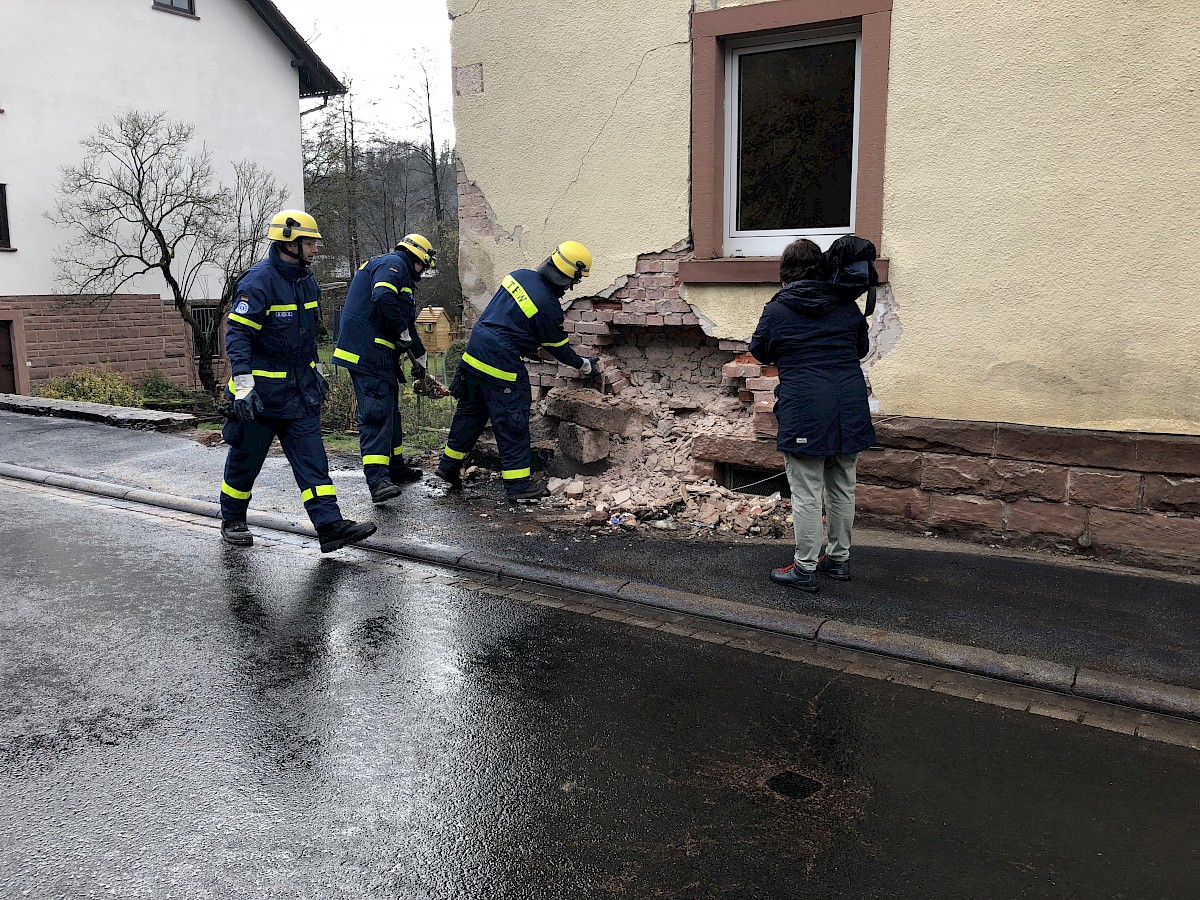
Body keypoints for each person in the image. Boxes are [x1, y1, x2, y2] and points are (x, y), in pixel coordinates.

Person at [219, 209, 377, 553]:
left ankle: (330, 526)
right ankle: (233, 519)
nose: (316, 248)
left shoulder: (307, 281)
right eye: (310, 241)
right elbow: (238, 338)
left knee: (313, 462)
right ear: (288, 242)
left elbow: (306, 337)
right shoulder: (257, 282)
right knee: (245, 463)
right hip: (259, 399)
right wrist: (243, 388)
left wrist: (315, 370)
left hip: (299, 395)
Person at [748, 236, 877, 592]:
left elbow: (759, 351)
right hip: (849, 405)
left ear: (785, 272)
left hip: (805, 406)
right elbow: (861, 348)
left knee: (806, 490)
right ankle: (838, 560)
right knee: (842, 486)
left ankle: (804, 568)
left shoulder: (777, 309)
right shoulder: (846, 305)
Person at [436, 241, 600, 502]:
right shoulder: (548, 305)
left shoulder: (519, 276)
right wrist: (585, 365)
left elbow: (512, 322)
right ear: (568, 275)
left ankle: (448, 466)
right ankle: (518, 486)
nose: (570, 288)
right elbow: (559, 349)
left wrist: (529, 345)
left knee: (469, 415)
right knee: (512, 422)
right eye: (573, 281)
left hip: (474, 352)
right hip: (500, 363)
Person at [333, 234, 436, 504]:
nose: (424, 272)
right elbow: (382, 297)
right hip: (367, 353)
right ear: (419, 259)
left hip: (379, 355)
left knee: (391, 413)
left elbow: (405, 323)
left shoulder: (401, 277)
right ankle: (378, 479)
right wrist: (400, 331)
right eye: (425, 266)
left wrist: (420, 356)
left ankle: (395, 466)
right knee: (377, 414)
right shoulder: (394, 264)